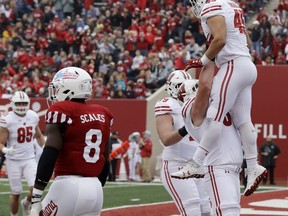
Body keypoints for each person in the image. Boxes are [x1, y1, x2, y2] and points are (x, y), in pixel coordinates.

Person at [171, 0, 267, 196]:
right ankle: (253, 165)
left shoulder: (211, 7)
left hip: (232, 65)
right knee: (243, 121)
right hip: (247, 65)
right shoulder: (232, 5)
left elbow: (220, 39)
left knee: (214, 114)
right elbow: (247, 42)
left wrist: (202, 60)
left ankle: (197, 162)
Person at [30, 66, 113, 216]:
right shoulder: (103, 113)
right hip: (95, 187)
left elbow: (50, 153)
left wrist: (36, 196)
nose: (54, 94)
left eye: (57, 88)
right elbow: (105, 159)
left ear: (68, 88)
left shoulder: (62, 109)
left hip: (68, 185)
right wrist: (95, 188)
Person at [174, 62, 244, 215]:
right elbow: (205, 87)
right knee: (226, 211)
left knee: (230, 211)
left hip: (231, 167)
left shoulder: (214, 106)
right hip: (218, 166)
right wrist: (209, 58)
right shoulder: (191, 108)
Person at [154, 70, 211, 216]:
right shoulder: (168, 104)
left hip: (197, 165)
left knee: (207, 210)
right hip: (176, 164)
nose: (184, 90)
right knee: (191, 210)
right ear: (172, 87)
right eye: (180, 86)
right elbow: (166, 139)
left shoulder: (195, 107)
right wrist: (188, 127)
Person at [0, 91, 45, 216]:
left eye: (23, 103)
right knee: (16, 192)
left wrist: (45, 147)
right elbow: (1, 142)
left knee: (35, 189)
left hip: (29, 158)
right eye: (18, 103)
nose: (21, 106)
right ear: (13, 103)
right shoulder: (7, 119)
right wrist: (5, 150)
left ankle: (26, 203)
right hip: (13, 160)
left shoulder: (33, 116)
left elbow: (39, 135)